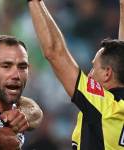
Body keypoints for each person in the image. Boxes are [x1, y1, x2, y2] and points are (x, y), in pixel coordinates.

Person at [28, 0, 124, 149]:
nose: (90, 75)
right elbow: (121, 59)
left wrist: (34, 2)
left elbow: (54, 52)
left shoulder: (105, 105)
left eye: (93, 68)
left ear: (107, 73)